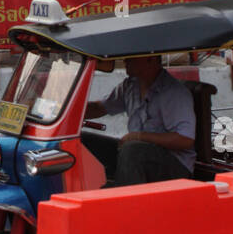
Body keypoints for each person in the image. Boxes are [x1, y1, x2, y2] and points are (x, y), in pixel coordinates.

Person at [84, 54, 196, 186]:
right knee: (85, 140)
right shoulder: (130, 86)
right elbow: (100, 108)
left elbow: (185, 139)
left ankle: (126, 202)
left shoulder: (174, 92)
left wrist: (139, 136)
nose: (125, 60)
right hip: (138, 152)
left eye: (132, 57)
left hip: (174, 165)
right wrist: (67, 109)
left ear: (150, 59)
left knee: (133, 151)